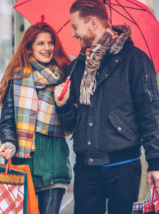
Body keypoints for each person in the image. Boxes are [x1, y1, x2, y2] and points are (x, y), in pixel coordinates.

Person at [54, 0, 159, 214]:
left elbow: (151, 114)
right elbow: (72, 123)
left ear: (93, 23)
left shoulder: (135, 60)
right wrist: (63, 105)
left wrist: (155, 162)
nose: (73, 33)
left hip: (124, 167)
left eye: (75, 27)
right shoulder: (77, 67)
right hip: (85, 169)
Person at [0, 22, 72, 214]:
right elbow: (6, 122)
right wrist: (10, 144)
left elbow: (72, 122)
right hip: (23, 163)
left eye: (50, 43)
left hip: (54, 164)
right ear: (29, 48)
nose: (47, 48)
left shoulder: (65, 77)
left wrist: (63, 103)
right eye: (40, 43)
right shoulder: (16, 79)